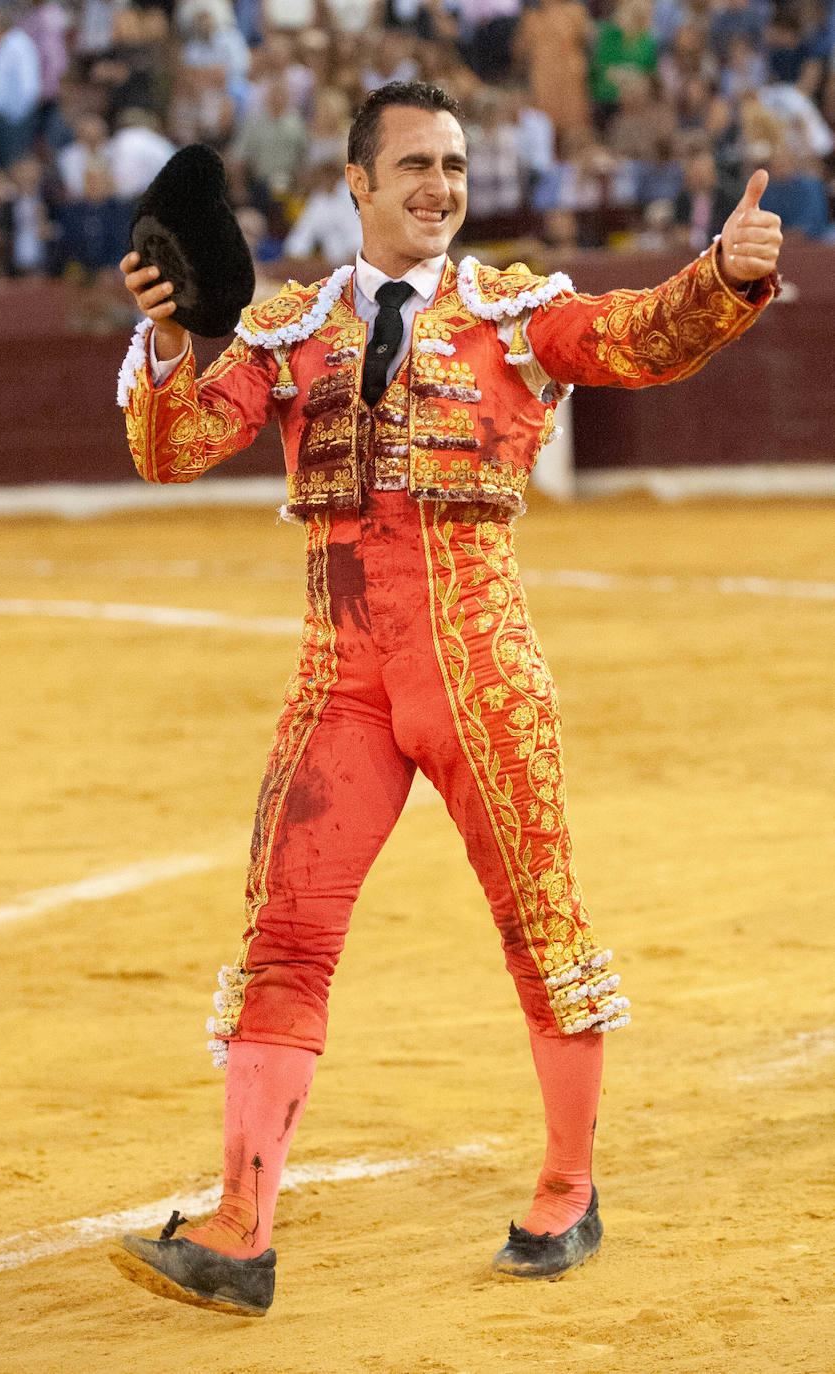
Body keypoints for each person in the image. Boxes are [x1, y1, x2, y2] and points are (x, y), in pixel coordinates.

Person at [110, 80, 782, 1315]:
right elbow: (172, 447)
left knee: (541, 925)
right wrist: (166, 343)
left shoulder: (511, 315)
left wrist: (723, 276)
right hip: (339, 678)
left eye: (456, 166)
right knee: (284, 936)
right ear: (355, 182)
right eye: (415, 164)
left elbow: (635, 336)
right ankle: (239, 1229)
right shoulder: (285, 331)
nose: (441, 187)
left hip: (478, 664)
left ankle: (567, 1192)